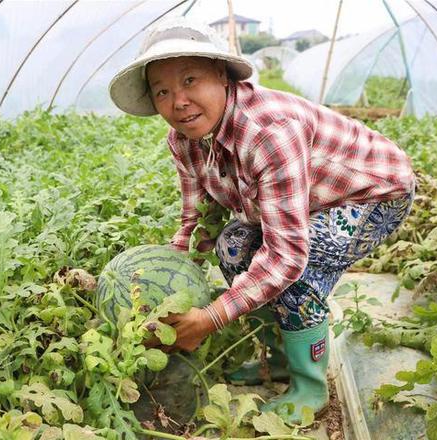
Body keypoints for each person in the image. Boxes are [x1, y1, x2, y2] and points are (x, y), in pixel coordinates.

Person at [109, 17, 415, 422]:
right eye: (162, 91)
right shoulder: (183, 141)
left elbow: (287, 255)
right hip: (306, 201)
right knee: (233, 247)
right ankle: (281, 357)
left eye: (189, 81)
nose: (177, 100)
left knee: (299, 270)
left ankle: (310, 387)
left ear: (221, 76)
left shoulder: (268, 132)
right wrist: (160, 282)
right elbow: (198, 221)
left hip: (373, 192)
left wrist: (210, 317)